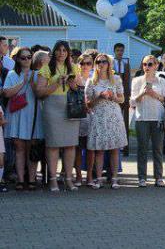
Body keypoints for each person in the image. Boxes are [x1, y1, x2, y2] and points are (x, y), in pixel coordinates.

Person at [37, 40, 80, 191]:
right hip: (52, 107)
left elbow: (79, 88)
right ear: (54, 51)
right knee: (53, 144)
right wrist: (56, 83)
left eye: (64, 50)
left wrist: (72, 83)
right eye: (59, 50)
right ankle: (53, 179)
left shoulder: (74, 67)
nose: (61, 53)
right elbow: (40, 92)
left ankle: (68, 179)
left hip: (70, 107)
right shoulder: (46, 68)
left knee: (70, 144)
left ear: (68, 53)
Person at [3, 47, 44, 190]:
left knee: (31, 147)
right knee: (19, 147)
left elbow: (40, 94)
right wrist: (23, 82)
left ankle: (32, 179)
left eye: (29, 57)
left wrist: (32, 83)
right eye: (23, 58)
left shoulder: (38, 74)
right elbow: (7, 93)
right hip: (17, 113)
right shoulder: (12, 74)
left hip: (33, 114)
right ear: (17, 60)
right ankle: (21, 180)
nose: (26, 60)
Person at [85, 53, 127, 189]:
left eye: (103, 61)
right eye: (98, 61)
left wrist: (113, 96)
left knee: (114, 148)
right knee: (99, 149)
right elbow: (88, 104)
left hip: (113, 116)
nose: (100, 64)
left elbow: (122, 99)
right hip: (98, 117)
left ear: (109, 64)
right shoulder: (91, 81)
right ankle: (99, 179)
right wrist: (100, 96)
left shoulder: (116, 79)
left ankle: (114, 178)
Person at [131, 55, 165, 187]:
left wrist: (155, 95)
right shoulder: (137, 81)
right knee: (142, 149)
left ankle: (158, 177)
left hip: (158, 119)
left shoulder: (161, 81)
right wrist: (143, 93)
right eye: (145, 64)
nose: (147, 67)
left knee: (158, 149)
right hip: (142, 118)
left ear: (156, 66)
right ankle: (142, 177)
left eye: (150, 64)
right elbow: (132, 102)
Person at [74, 54, 94, 186]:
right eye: (82, 63)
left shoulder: (94, 78)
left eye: (88, 63)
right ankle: (79, 176)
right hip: (78, 117)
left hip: (92, 116)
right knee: (77, 148)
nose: (85, 66)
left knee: (91, 148)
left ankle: (90, 176)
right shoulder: (75, 78)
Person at [112, 43, 132, 156]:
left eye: (121, 50)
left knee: (124, 122)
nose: (120, 52)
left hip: (124, 96)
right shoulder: (110, 63)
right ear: (114, 51)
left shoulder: (126, 64)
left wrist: (128, 96)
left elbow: (128, 81)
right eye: (118, 50)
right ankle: (115, 146)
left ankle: (126, 148)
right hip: (114, 96)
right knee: (115, 121)